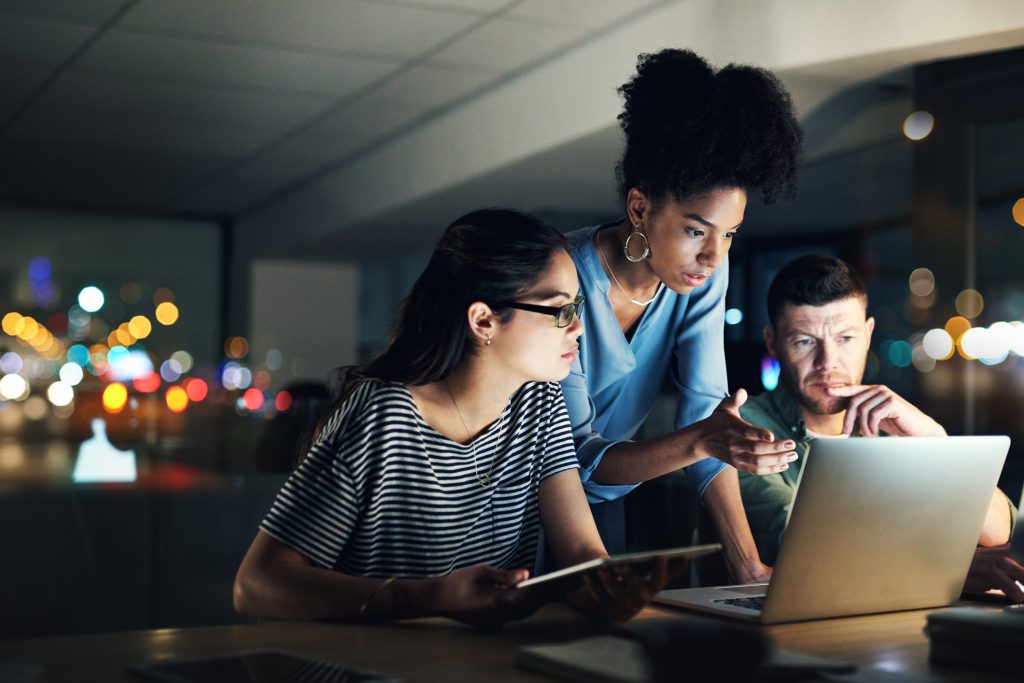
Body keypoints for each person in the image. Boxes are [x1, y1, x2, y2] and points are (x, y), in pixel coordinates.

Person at [234, 209, 672, 627]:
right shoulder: (381, 415)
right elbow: (257, 584)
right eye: (560, 311)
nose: (578, 328)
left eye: (577, 309)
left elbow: (580, 552)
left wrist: (612, 589)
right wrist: (430, 597)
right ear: (484, 320)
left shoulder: (540, 400)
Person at [562, 48, 803, 581]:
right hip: (522, 503)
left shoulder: (700, 278)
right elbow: (576, 456)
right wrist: (703, 438)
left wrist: (749, 567)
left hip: (606, 503)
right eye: (696, 230)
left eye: (730, 234)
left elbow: (705, 414)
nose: (714, 257)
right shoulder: (562, 278)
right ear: (640, 208)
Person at [738, 254, 1023, 601]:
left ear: (868, 334)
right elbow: (798, 546)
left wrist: (933, 439)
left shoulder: (893, 423)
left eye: (845, 338)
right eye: (804, 341)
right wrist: (951, 568)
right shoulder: (744, 428)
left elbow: (1002, 533)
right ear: (773, 343)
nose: (828, 362)